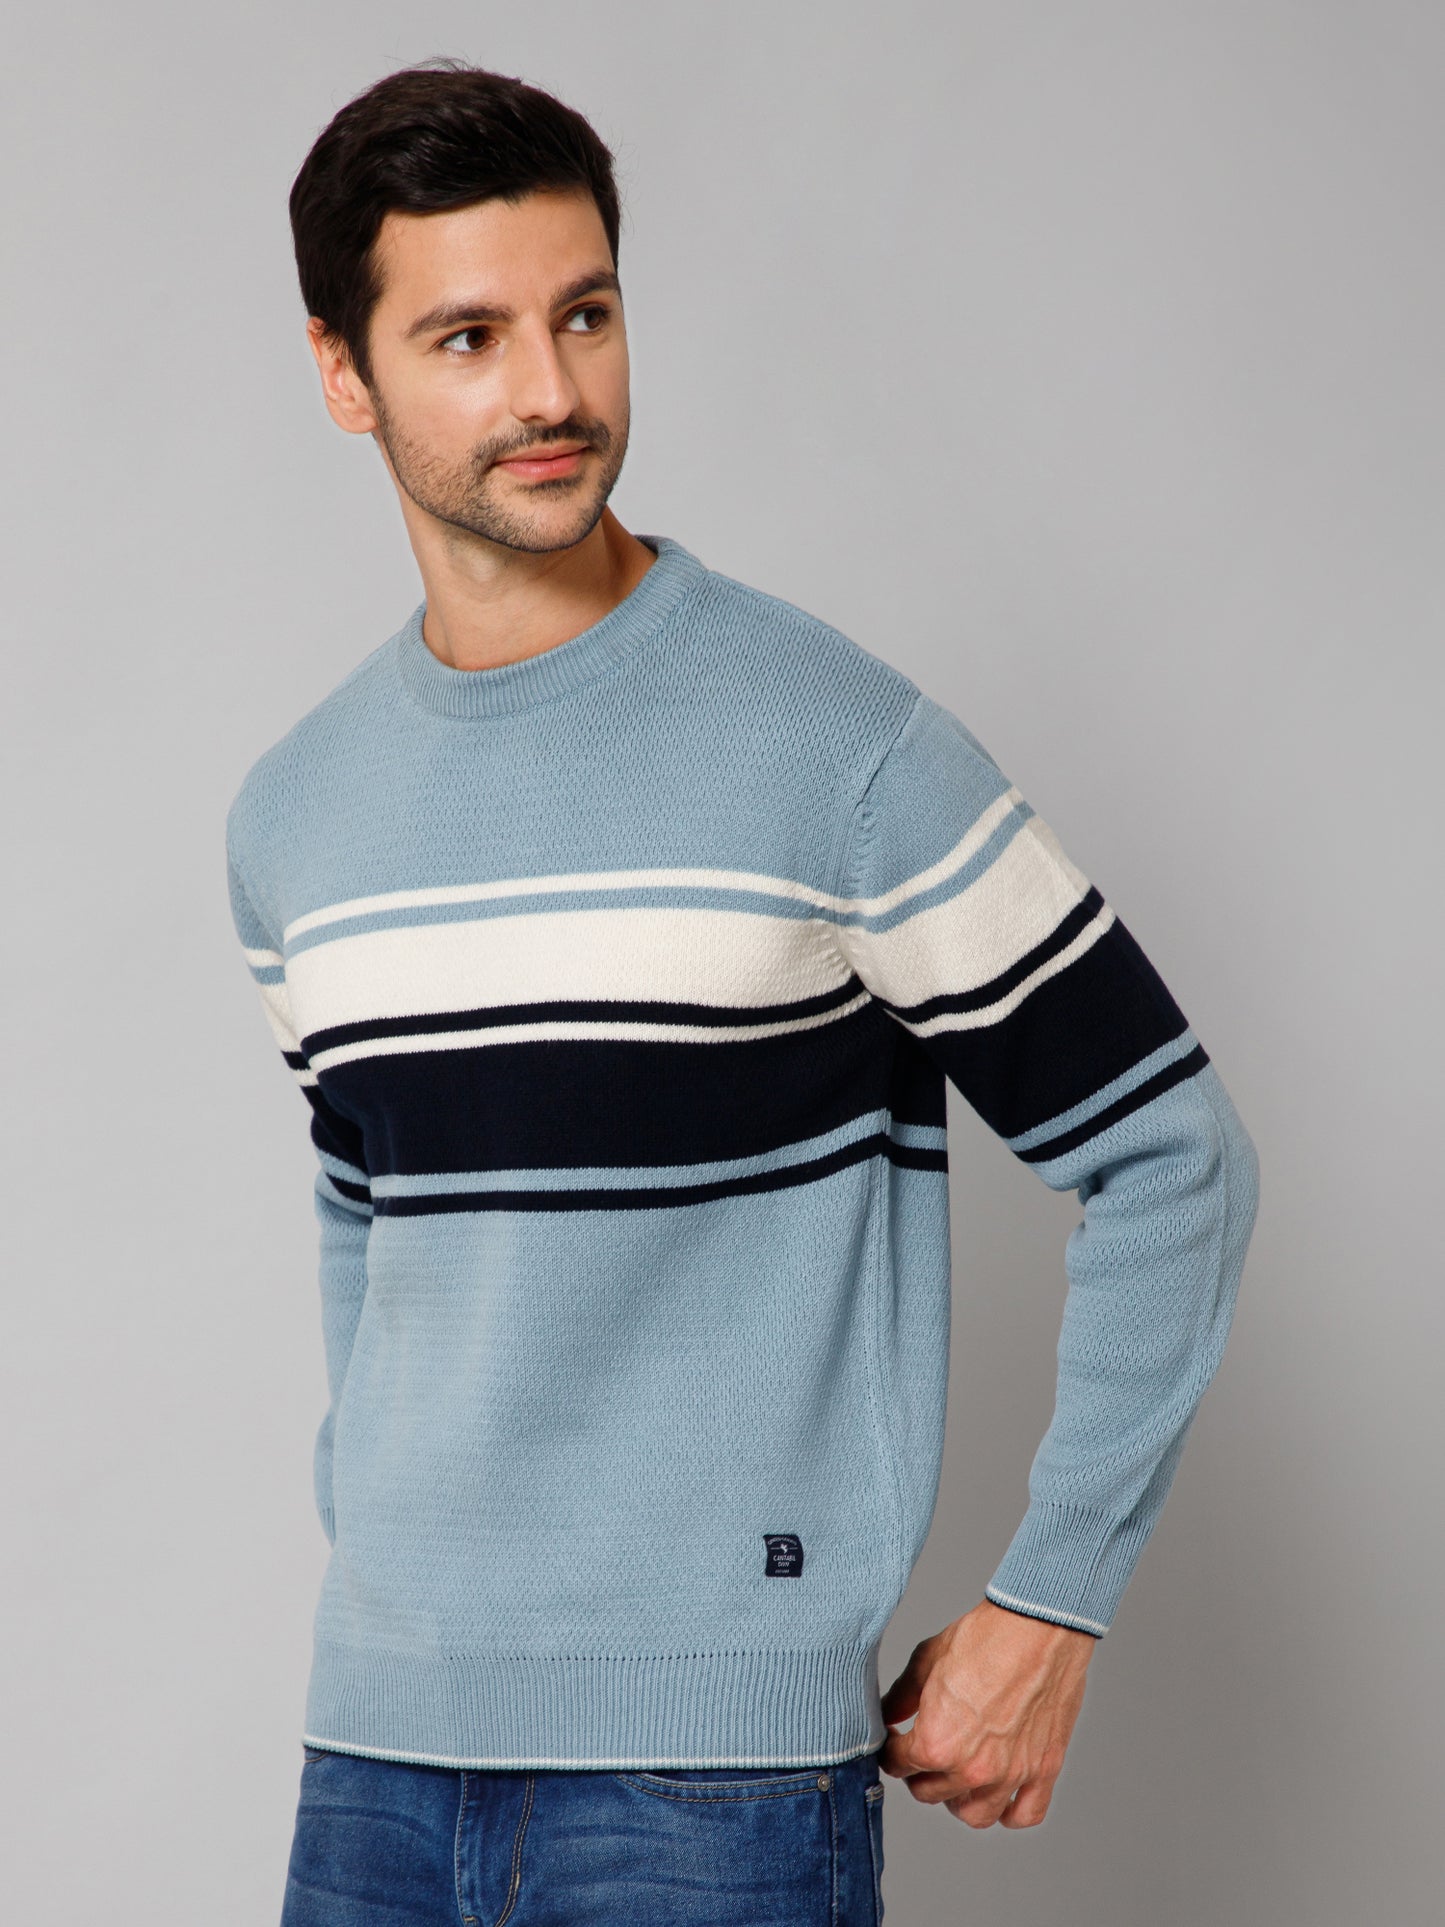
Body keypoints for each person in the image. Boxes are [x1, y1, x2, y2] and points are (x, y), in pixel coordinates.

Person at [224, 57, 1260, 1926]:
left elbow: (1172, 1156)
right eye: (467, 336)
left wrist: (1051, 1600)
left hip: (708, 1801)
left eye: (585, 314)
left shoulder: (833, 748)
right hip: (371, 1763)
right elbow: (368, 1230)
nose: (550, 392)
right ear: (341, 373)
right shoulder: (297, 817)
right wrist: (397, 1563)